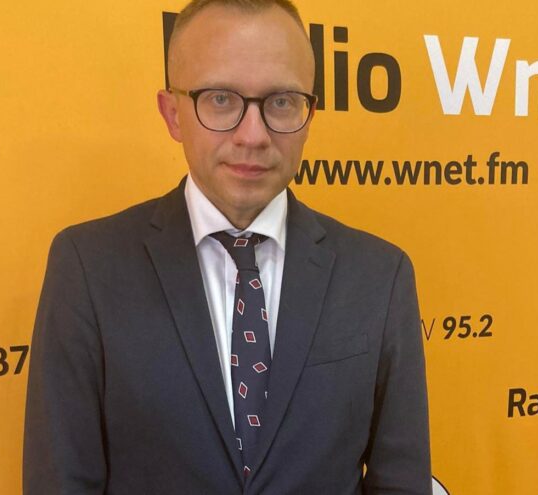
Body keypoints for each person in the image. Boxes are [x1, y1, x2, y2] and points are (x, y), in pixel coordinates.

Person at [22, 0, 431, 493]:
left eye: (281, 101)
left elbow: (401, 482)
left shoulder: (379, 276)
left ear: (309, 115)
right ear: (173, 113)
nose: (252, 135)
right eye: (220, 99)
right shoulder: (88, 267)